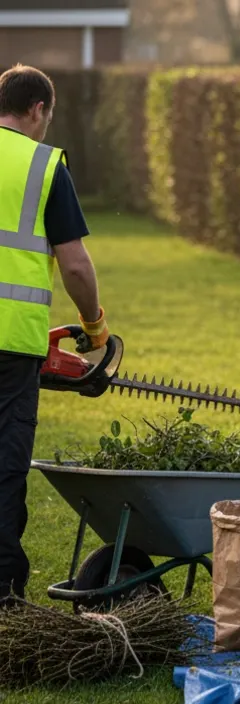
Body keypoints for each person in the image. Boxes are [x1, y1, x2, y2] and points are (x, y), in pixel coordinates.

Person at [0, 64, 107, 607]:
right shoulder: (43, 165)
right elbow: (75, 266)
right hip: (10, 346)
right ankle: (1, 591)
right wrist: (93, 326)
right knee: (3, 466)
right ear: (38, 109)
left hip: (16, 344)